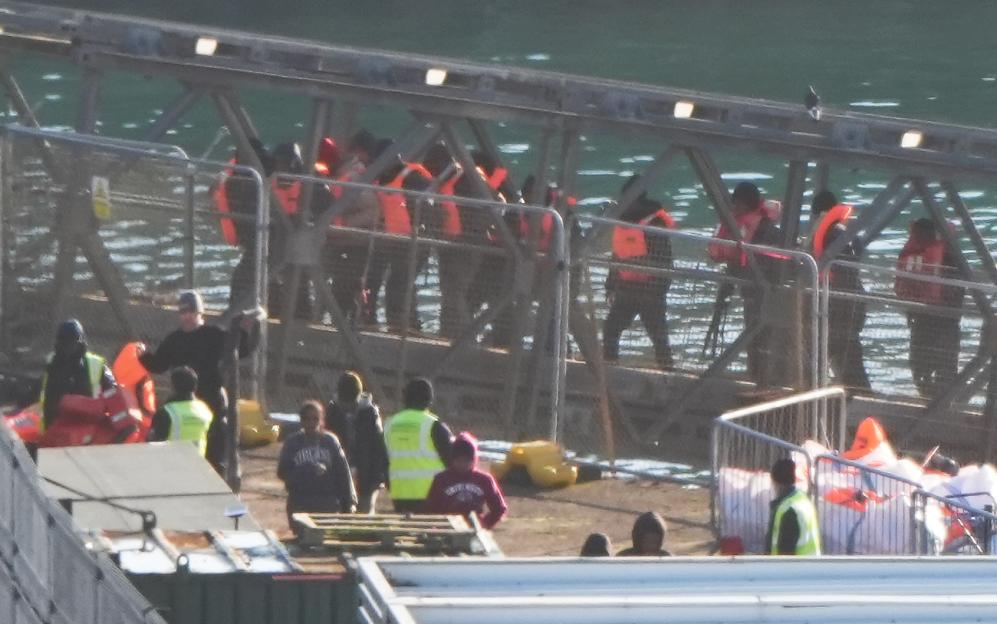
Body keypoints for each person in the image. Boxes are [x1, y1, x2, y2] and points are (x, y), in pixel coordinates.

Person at [139, 290, 258, 475]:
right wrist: (142, 355)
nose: (186, 317)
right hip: (186, 402)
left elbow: (241, 350)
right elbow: (159, 365)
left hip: (212, 397)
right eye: (183, 312)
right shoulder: (174, 339)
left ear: (199, 313)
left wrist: (246, 330)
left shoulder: (214, 334)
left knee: (216, 452)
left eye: (190, 312)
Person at [707, 182, 781, 384]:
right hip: (751, 291)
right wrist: (727, 288)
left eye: (738, 203)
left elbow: (769, 263)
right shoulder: (747, 226)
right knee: (754, 337)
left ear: (747, 205)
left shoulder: (766, 230)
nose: (734, 208)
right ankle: (756, 376)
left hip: (766, 293)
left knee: (761, 338)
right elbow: (738, 260)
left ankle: (762, 379)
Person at [603, 176, 675, 369]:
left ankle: (668, 373)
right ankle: (610, 368)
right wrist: (610, 287)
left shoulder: (654, 223)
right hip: (627, 288)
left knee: (659, 338)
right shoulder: (623, 223)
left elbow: (664, 260)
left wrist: (658, 290)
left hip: (650, 292)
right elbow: (616, 257)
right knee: (610, 330)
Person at [363, 148, 434, 331]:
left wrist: (419, 231)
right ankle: (370, 320)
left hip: (411, 244)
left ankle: (406, 328)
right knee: (371, 282)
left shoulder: (413, 179)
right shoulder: (382, 179)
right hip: (386, 241)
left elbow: (429, 210)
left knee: (399, 287)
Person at [808, 191, 871, 391]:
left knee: (838, 351)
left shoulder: (830, 233)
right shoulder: (850, 233)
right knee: (846, 351)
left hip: (836, 303)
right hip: (853, 300)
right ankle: (857, 392)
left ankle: (857, 394)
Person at [895, 218, 962, 398]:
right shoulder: (945, 253)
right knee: (930, 368)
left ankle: (935, 401)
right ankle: (935, 402)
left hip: (931, 320)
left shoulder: (917, 252)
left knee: (927, 367)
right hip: (938, 321)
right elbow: (960, 286)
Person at [277, 401, 356, 531]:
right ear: (301, 421)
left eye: (315, 418)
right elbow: (282, 471)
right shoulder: (293, 442)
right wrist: (305, 472)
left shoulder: (330, 441)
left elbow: (343, 473)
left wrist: (348, 503)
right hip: (300, 502)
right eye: (307, 419)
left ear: (321, 420)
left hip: (327, 503)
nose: (311, 423)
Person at [217, 138, 274, 312]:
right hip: (255, 243)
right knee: (243, 279)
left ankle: (238, 314)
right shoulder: (236, 179)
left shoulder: (254, 181)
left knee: (245, 280)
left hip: (268, 242)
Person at [383, 377, 454, 512]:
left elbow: (383, 460)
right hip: (431, 494)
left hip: (400, 493)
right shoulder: (434, 426)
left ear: (404, 398)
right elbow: (452, 461)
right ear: (430, 400)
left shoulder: (389, 424)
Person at [325, 371, 389, 514]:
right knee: (341, 510)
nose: (347, 406)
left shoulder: (370, 414)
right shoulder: (332, 411)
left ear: (359, 397)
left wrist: (378, 476)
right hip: (340, 471)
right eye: (344, 402)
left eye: (351, 402)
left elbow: (379, 448)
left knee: (364, 512)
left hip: (366, 473)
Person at [39, 319, 116, 431]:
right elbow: (39, 387)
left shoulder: (96, 364)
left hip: (86, 430)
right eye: (65, 341)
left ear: (80, 342)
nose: (68, 346)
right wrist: (19, 405)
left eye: (72, 341)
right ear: (59, 342)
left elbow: (113, 392)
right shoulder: (53, 363)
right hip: (54, 429)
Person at [423, 432, 508, 528]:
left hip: (474, 528)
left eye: (467, 461)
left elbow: (499, 508)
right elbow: (430, 508)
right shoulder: (441, 479)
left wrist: (484, 524)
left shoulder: (484, 480)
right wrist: (439, 525)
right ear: (453, 460)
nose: (463, 464)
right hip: (447, 528)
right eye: (459, 460)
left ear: (473, 460)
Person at [148, 366, 213, 457]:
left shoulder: (166, 412)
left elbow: (153, 444)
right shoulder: (205, 410)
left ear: (173, 386)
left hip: (171, 466)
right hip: (197, 465)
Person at [766, 458, 821, 555]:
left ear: (774, 481)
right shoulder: (803, 500)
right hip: (811, 565)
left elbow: (786, 551)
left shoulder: (788, 510)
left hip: (795, 568)